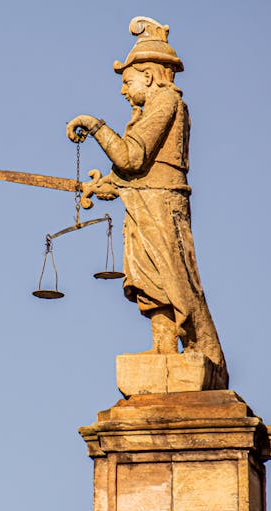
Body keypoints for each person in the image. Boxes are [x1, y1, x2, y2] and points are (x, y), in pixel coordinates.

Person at [66, 16, 228, 388]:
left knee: (172, 276)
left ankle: (203, 352)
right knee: (147, 275)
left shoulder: (166, 101)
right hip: (145, 201)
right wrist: (107, 184)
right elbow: (136, 170)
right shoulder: (150, 108)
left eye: (128, 82)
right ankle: (163, 346)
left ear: (150, 76)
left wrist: (94, 124)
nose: (124, 91)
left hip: (161, 205)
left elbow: (132, 157)